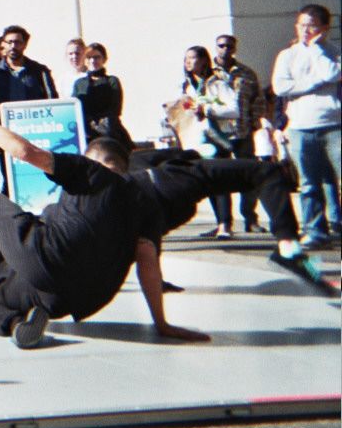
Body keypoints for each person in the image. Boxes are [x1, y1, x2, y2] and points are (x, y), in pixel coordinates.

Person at [0, 85, 199, 348]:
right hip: (81, 298)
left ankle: (12, 320)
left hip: (47, 262)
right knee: (29, 260)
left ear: (93, 159)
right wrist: (161, 323)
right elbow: (147, 260)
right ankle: (21, 316)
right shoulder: (145, 202)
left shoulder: (91, 171)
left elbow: (26, 153)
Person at [127, 148, 335, 297]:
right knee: (266, 171)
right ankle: (288, 247)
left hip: (162, 207)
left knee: (148, 223)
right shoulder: (134, 157)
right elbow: (180, 155)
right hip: (174, 184)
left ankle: (156, 280)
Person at [272, 4, 340, 248]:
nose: (305, 30)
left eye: (311, 25)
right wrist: (314, 82)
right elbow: (281, 87)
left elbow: (333, 74)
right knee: (309, 182)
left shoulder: (333, 51)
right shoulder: (287, 55)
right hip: (300, 125)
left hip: (334, 123)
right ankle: (315, 231)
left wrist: (317, 50)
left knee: (335, 178)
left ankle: (336, 222)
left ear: (324, 28)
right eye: (301, 25)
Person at [0, 25, 58, 216]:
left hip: (36, 136)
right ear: (3, 45)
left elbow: (52, 101)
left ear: (25, 44)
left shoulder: (39, 71)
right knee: (9, 178)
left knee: (38, 176)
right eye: (9, 42)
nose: (13, 46)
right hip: (6, 136)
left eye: (18, 42)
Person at [180, 44, 240, 238]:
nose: (189, 62)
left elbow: (234, 109)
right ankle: (219, 223)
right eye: (186, 58)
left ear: (204, 60)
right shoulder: (186, 85)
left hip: (216, 137)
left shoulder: (217, 83)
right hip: (197, 139)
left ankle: (226, 225)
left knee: (220, 181)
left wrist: (207, 110)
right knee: (208, 182)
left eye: (193, 58)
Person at [212, 33, 263, 232]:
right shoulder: (209, 72)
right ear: (216, 47)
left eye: (229, 46)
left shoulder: (246, 73)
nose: (225, 49)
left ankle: (251, 218)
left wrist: (254, 121)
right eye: (221, 45)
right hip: (218, 133)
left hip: (242, 130)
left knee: (248, 175)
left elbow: (257, 100)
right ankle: (224, 222)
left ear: (235, 48)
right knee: (220, 178)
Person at [70, 42, 132, 150]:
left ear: (104, 59)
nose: (93, 61)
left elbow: (115, 108)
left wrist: (99, 124)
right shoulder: (79, 83)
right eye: (89, 57)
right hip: (86, 133)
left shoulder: (112, 81)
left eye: (97, 57)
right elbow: (75, 108)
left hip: (109, 132)